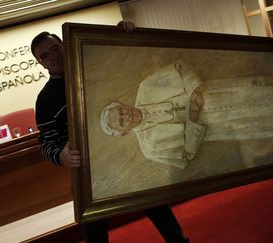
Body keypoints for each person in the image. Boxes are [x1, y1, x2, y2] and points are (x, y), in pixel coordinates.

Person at [31, 23, 189, 243]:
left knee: (156, 206)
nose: (53, 57)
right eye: (45, 56)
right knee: (94, 231)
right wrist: (61, 155)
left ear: (63, 44)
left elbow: (122, 58)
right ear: (41, 63)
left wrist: (120, 32)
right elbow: (46, 143)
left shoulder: (95, 67)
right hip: (89, 173)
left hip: (126, 155)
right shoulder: (45, 100)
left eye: (55, 48)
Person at [100, 62, 273, 169]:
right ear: (124, 133)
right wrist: (193, 120)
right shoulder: (149, 148)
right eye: (121, 121)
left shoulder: (146, 88)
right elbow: (184, 158)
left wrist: (194, 90)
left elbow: (180, 68)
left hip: (215, 94)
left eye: (121, 111)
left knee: (265, 92)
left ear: (123, 104)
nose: (126, 115)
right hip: (217, 125)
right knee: (261, 119)